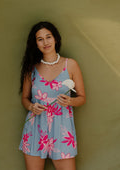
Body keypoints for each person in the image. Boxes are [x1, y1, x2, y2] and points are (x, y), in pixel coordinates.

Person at [19, 21, 86, 170]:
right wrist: (31, 106)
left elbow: (82, 98)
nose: (45, 42)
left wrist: (70, 101)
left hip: (62, 129)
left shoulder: (71, 65)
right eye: (40, 39)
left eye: (48, 37)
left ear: (55, 38)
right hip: (35, 128)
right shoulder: (32, 68)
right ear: (35, 43)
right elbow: (24, 98)